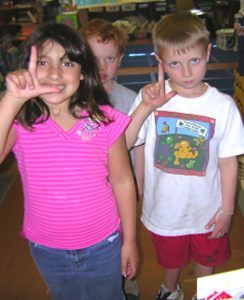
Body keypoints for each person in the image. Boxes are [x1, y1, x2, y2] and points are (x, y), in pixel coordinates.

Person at [0, 23, 139, 300]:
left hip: (104, 242)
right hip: (47, 247)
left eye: (66, 62)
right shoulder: (20, 122)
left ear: (83, 71)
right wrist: (11, 99)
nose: (53, 74)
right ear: (27, 68)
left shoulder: (104, 119)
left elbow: (123, 180)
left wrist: (131, 240)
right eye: (42, 62)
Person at [126, 12, 244, 300]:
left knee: (209, 258)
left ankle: (206, 293)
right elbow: (125, 143)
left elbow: (228, 160)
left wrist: (227, 209)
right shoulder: (149, 96)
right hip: (164, 209)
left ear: (207, 52)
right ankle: (170, 289)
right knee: (170, 259)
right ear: (160, 61)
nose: (187, 73)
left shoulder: (223, 105)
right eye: (175, 64)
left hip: (209, 209)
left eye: (195, 60)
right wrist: (144, 108)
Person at [81, 18, 143, 299]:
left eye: (109, 59)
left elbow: (137, 146)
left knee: (121, 237)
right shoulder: (75, 100)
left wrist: (139, 181)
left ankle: (124, 282)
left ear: (119, 59)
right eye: (94, 59)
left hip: (120, 188)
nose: (102, 67)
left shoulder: (129, 99)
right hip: (89, 192)